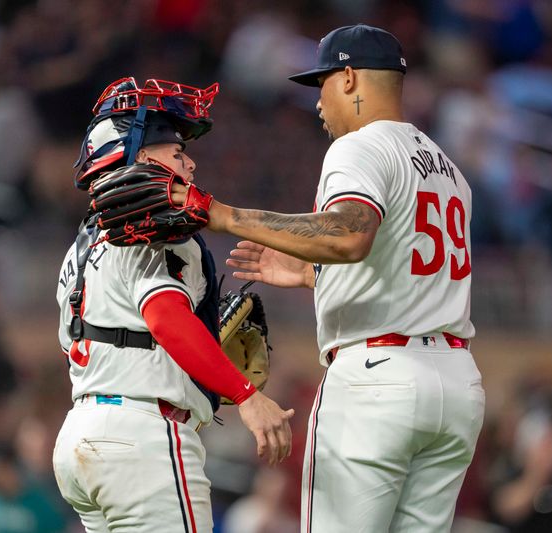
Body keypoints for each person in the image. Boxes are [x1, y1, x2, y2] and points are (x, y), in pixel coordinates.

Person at [175, 24, 485, 532]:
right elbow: (407, 274)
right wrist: (312, 275)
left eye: (320, 83)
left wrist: (227, 215)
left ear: (347, 78)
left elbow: (350, 235)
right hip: (455, 384)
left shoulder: (358, 148)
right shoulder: (449, 170)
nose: (316, 101)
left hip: (377, 379)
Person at [53, 76, 294, 533]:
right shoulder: (158, 228)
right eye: (176, 152)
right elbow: (164, 318)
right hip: (141, 439)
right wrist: (245, 395)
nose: (190, 162)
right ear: (141, 158)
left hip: (81, 435)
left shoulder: (81, 245)